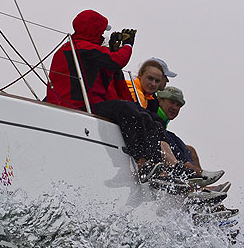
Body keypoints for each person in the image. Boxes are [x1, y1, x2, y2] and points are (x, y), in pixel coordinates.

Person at [46, 10, 168, 183]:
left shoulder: (81, 48)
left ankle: (156, 165)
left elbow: (108, 70)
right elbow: (117, 61)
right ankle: (141, 161)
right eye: (101, 32)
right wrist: (128, 46)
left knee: (143, 114)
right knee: (126, 109)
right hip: (76, 106)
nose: (103, 35)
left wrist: (111, 49)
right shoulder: (83, 48)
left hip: (85, 103)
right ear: (93, 30)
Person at [154, 86, 225, 187]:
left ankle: (199, 188)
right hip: (151, 148)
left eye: (178, 105)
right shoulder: (153, 111)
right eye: (171, 102)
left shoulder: (163, 119)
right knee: (169, 136)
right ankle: (193, 171)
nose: (175, 107)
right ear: (159, 100)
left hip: (158, 145)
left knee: (191, 150)